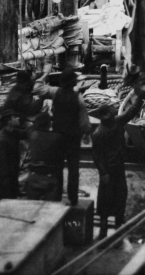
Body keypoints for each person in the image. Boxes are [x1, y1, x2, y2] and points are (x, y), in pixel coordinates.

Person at [90, 95, 143, 241]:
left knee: (121, 195)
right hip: (108, 170)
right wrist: (103, 173)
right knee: (104, 199)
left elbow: (132, 111)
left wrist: (140, 96)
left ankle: (118, 225)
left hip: (119, 166)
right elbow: (96, 156)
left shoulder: (117, 122)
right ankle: (103, 228)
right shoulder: (98, 133)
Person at [50, 67, 91, 206]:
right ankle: (73, 198)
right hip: (73, 137)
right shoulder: (77, 98)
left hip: (58, 136)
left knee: (58, 167)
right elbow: (84, 120)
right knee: (73, 168)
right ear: (73, 82)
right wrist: (86, 133)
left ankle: (57, 196)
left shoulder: (55, 94)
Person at [25, 110, 62, 201]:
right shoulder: (57, 137)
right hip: (50, 176)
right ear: (49, 123)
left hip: (34, 175)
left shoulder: (32, 135)